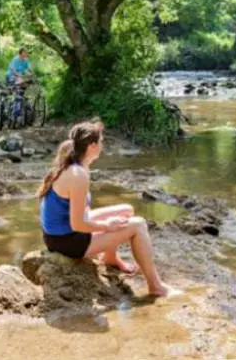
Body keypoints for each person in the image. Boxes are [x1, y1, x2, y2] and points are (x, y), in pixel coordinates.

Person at [38, 120, 177, 297]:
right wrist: (106, 226)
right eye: (101, 142)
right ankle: (155, 286)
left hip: (60, 233)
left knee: (126, 210)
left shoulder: (76, 165)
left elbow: (79, 215)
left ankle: (110, 258)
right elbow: (77, 224)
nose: (102, 145)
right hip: (65, 241)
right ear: (92, 146)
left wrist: (106, 224)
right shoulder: (77, 174)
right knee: (138, 225)